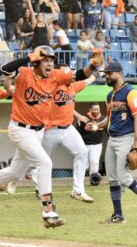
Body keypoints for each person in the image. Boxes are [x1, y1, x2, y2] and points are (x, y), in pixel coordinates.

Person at [0, 46, 74, 228]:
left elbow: (79, 75)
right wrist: (30, 56)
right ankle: (48, 211)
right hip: (20, 129)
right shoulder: (25, 72)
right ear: (36, 62)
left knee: (15, 172)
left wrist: (93, 64)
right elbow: (5, 69)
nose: (50, 63)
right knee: (45, 163)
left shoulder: (54, 76)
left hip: (38, 132)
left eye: (51, 59)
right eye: (45, 59)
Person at [86, 61, 137, 223]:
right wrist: (97, 126)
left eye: (109, 73)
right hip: (112, 139)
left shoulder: (131, 92)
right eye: (105, 74)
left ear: (118, 73)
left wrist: (136, 141)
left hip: (127, 138)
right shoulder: (110, 95)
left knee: (124, 177)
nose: (106, 77)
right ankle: (118, 215)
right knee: (112, 178)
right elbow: (108, 120)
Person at [39, 53, 103, 203]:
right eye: (65, 73)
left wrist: (98, 71)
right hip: (50, 128)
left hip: (67, 129)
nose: (68, 76)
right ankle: (38, 187)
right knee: (41, 160)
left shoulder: (73, 86)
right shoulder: (52, 85)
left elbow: (88, 80)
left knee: (82, 153)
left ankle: (78, 190)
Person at [76, 102, 105, 182]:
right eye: (94, 109)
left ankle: (94, 180)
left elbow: (108, 130)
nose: (96, 111)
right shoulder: (84, 118)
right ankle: (79, 180)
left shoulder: (103, 118)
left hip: (97, 144)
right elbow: (77, 132)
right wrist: (84, 129)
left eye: (97, 109)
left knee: (94, 161)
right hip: (84, 144)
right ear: (90, 109)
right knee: (83, 164)